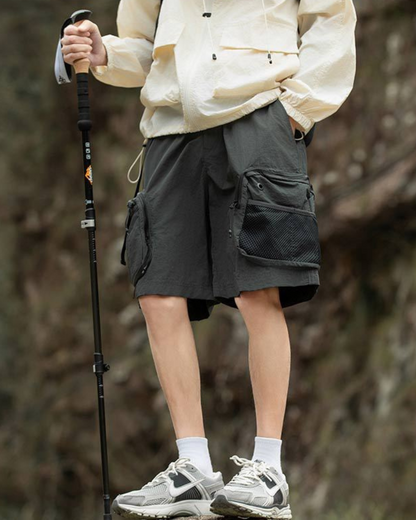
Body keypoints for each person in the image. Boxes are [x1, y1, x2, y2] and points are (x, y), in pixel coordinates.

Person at [61, 1, 357, 518]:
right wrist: (104, 52)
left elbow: (331, 19)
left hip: (259, 117)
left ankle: (269, 470)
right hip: (170, 129)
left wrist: (295, 111)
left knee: (258, 287)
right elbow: (143, 46)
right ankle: (192, 468)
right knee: (158, 290)